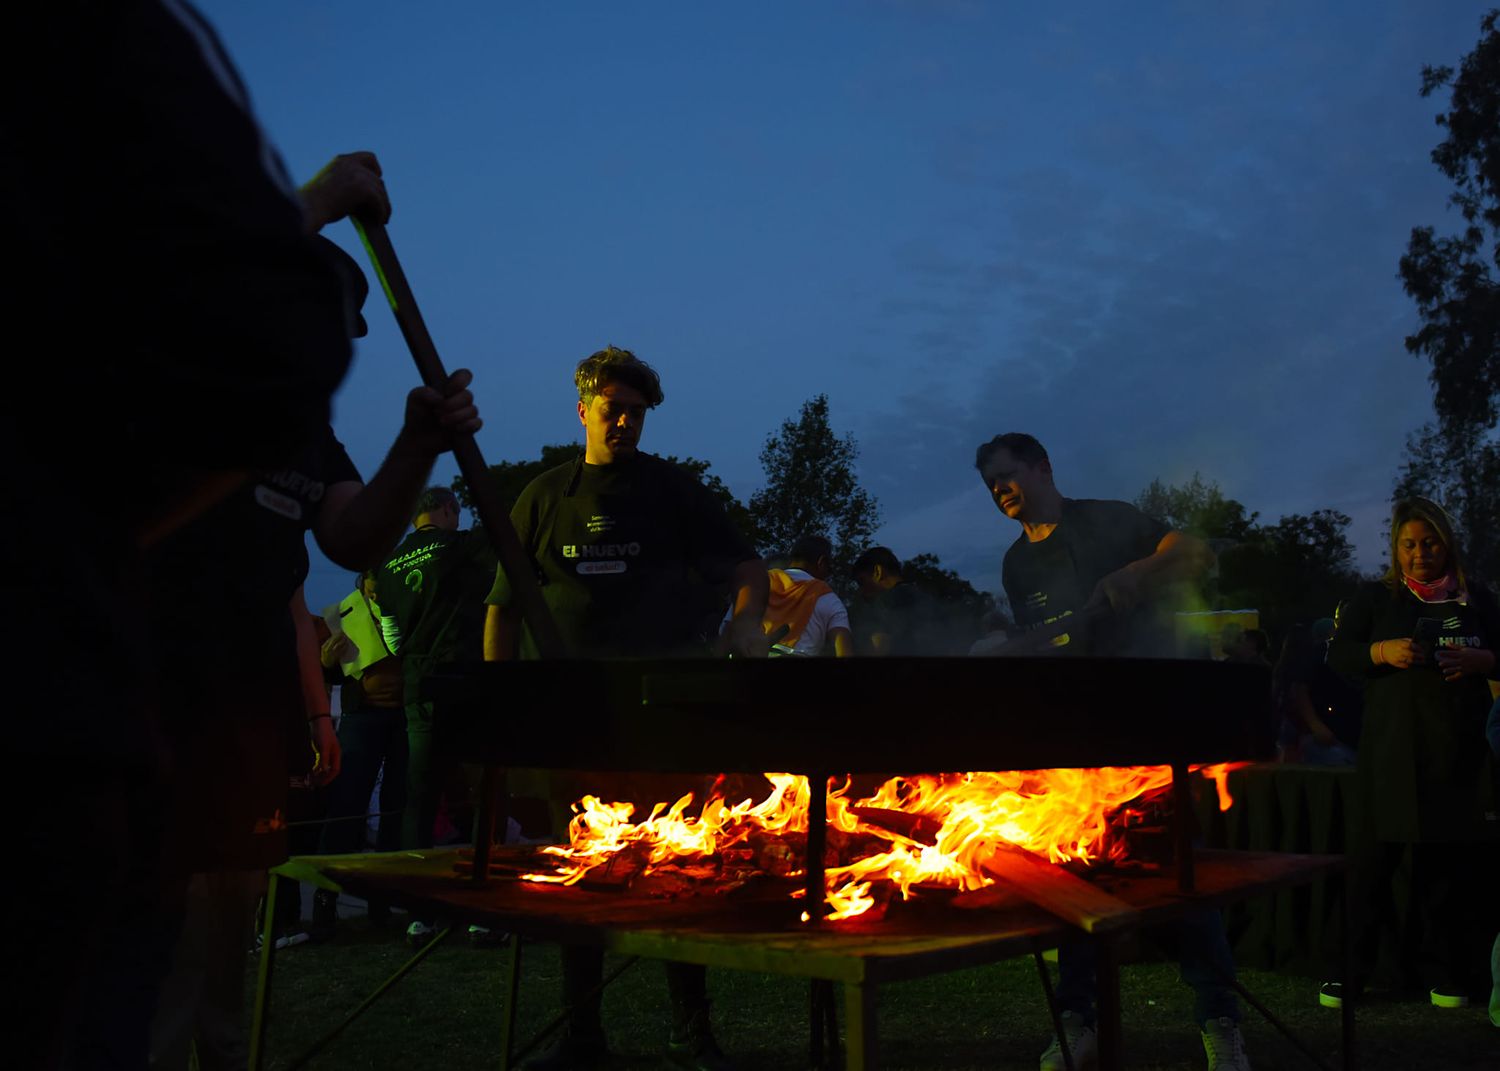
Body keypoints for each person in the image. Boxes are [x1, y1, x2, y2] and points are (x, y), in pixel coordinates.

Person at [484, 345, 768, 1070]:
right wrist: (505, 697)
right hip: (575, 718)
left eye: (638, 413)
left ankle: (691, 1032)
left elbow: (745, 565)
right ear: (583, 410)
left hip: (665, 713)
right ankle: (582, 1035)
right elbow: (503, 607)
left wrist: (746, 621)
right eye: (615, 409)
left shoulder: (673, 491)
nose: (627, 422)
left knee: (679, 874)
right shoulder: (544, 496)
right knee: (580, 879)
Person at [974, 432, 1249, 1071]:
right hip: (1074, 735)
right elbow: (1047, 643)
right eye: (991, 485)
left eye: (1007, 476)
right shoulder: (1016, 564)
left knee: (1176, 871)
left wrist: (1137, 570)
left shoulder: (1109, 518)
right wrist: (1012, 651)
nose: (1000, 491)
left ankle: (1221, 1020)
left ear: (1042, 468)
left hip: (1148, 721)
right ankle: (1077, 1021)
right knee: (1072, 878)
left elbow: (1194, 550)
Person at [1324, 497, 1498, 1011]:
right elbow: (1338, 653)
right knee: (1371, 868)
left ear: (1447, 544)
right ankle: (1349, 972)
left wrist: (1484, 658)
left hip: (1458, 754)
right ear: (1396, 550)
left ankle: (1447, 971)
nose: (1420, 554)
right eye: (1409, 545)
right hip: (1390, 753)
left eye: (1429, 543)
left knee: (1449, 869)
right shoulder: (1376, 600)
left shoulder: (1478, 600)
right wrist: (1383, 651)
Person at [373, 485, 500, 946]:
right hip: (466, 678)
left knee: (420, 794)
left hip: (418, 685)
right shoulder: (462, 546)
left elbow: (391, 639)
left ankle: (418, 913)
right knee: (485, 787)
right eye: (456, 513)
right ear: (446, 510)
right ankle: (483, 911)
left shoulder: (385, 565)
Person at [312, 569, 407, 938]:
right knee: (346, 806)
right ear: (363, 582)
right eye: (373, 579)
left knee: (395, 807)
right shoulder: (341, 613)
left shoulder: (403, 606)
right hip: (362, 717)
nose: (378, 586)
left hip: (402, 717)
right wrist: (325, 662)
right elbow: (335, 672)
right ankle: (326, 900)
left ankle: (381, 905)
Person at [730, 534, 852, 656]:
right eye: (828, 569)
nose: (828, 576)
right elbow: (844, 650)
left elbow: (726, 630)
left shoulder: (757, 583)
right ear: (822, 562)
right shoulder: (830, 599)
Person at [850, 546, 951, 655]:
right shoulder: (929, 600)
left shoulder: (886, 600)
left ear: (878, 572)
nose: (861, 591)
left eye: (862, 582)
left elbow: (880, 649)